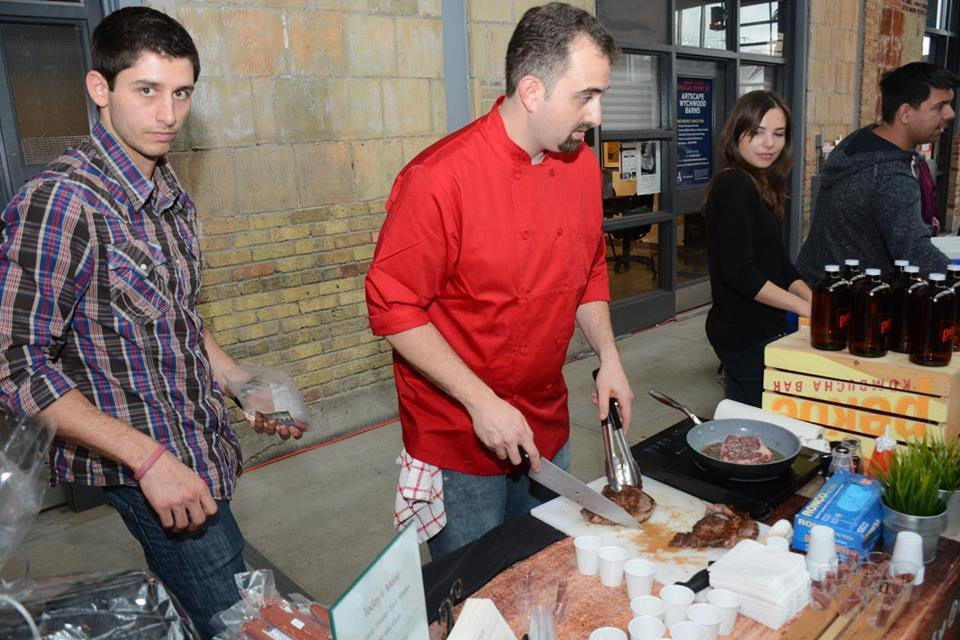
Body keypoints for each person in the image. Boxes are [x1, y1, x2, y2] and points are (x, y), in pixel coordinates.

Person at [0, 8, 302, 638]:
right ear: (100, 88)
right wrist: (148, 461)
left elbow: (175, 312)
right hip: (144, 464)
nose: (169, 115)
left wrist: (240, 381)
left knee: (224, 607)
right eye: (147, 90)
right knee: (241, 622)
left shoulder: (168, 192)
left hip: (198, 447)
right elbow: (16, 363)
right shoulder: (61, 203)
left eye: (182, 93)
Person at [365, 2, 633, 559]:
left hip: (545, 421)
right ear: (532, 91)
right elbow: (394, 307)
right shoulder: (438, 179)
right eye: (585, 96)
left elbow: (589, 269)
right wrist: (480, 402)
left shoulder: (582, 165)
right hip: (460, 434)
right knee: (474, 585)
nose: (596, 115)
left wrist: (609, 358)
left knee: (545, 567)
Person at [796, 62, 960, 283]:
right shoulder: (888, 174)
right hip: (841, 295)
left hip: (820, 279)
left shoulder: (861, 140)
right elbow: (915, 252)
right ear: (905, 113)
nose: (950, 114)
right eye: (939, 106)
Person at [704, 91, 811, 407]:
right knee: (767, 422)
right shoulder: (735, 184)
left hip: (757, 329)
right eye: (757, 132)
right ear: (736, 133)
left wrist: (812, 299)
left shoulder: (759, 183)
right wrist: (803, 308)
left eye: (778, 134)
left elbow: (777, 261)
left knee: (745, 421)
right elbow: (740, 273)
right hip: (744, 333)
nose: (769, 144)